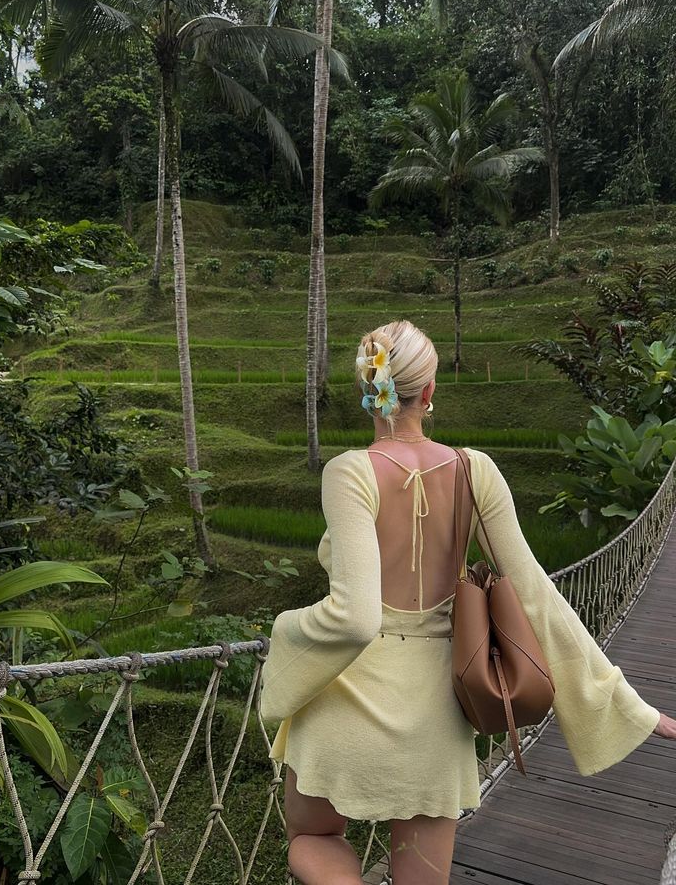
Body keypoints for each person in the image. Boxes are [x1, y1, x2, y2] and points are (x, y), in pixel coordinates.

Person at [258, 320, 676, 885]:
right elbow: (533, 592)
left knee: (313, 838)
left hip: (346, 700)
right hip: (435, 713)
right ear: (428, 394)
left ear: (367, 386)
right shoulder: (473, 468)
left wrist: (285, 630)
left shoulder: (350, 472)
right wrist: (630, 704)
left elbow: (355, 619)